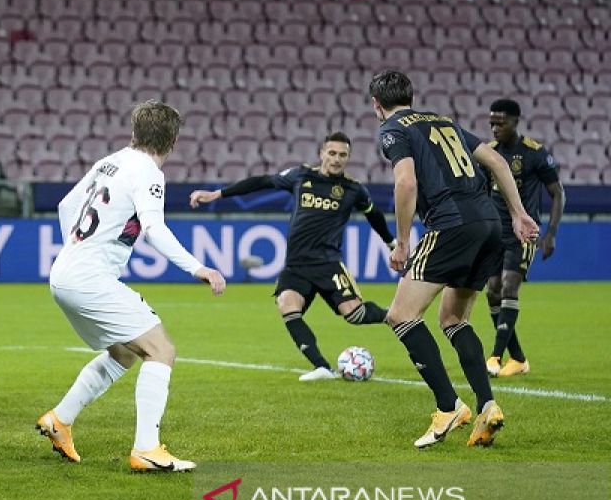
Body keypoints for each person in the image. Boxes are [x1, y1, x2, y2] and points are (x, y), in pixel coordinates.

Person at [37, 100, 225, 473]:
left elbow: (64, 205)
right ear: (172, 141)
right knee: (161, 350)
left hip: (64, 273)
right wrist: (197, 267)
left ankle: (60, 420)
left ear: (134, 131)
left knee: (123, 352)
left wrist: (76, 250)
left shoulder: (110, 161)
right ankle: (146, 450)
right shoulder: (149, 173)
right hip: (88, 278)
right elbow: (154, 229)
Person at [368, 71, 538, 449]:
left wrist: (402, 241)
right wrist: (518, 213)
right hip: (488, 224)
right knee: (453, 319)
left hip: (450, 225)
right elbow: (495, 158)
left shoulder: (393, 129)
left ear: (376, 105)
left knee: (400, 315)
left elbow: (406, 183)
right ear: (411, 95)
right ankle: (487, 405)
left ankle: (449, 407)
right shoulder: (444, 121)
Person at [189, 132, 395, 380]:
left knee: (355, 314)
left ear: (349, 158)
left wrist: (392, 242)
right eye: (332, 153)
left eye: (343, 155)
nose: (337, 159)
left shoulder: (353, 189)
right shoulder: (300, 176)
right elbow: (262, 181)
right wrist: (217, 194)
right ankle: (321, 367)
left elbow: (373, 215)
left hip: (328, 264)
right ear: (322, 153)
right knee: (286, 303)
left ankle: (393, 315)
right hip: (296, 265)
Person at [484, 99, 565, 378]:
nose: (495, 128)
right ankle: (517, 359)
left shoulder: (534, 153)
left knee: (509, 285)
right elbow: (482, 192)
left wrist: (551, 233)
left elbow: (557, 193)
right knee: (492, 290)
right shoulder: (489, 154)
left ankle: (495, 356)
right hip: (494, 233)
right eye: (491, 123)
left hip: (523, 232)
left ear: (516, 122)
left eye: (501, 123)